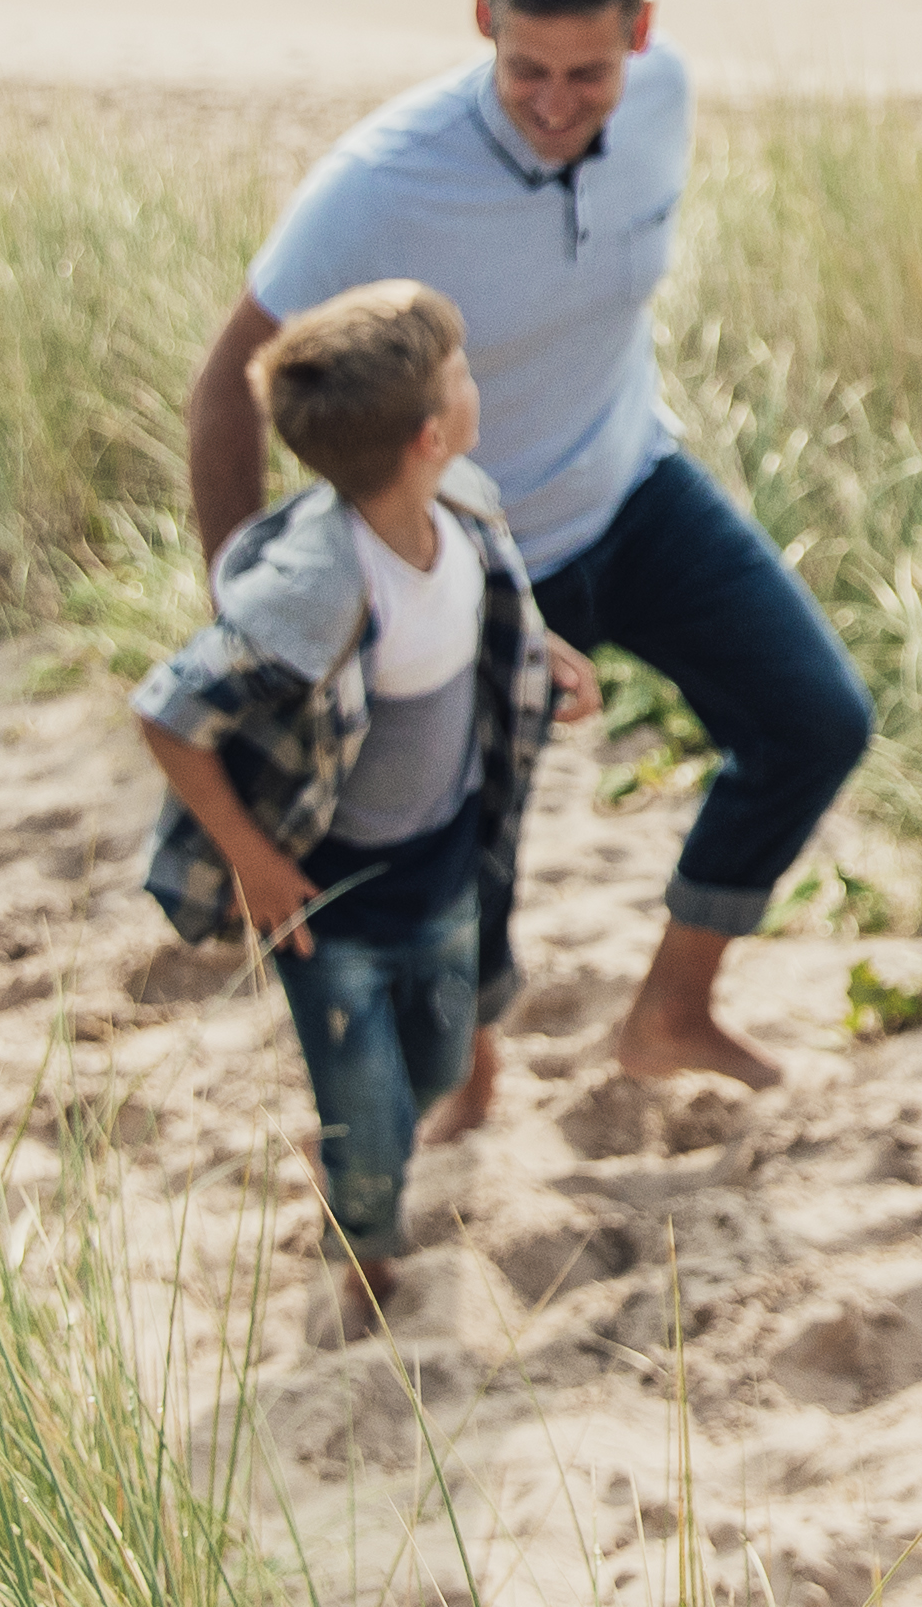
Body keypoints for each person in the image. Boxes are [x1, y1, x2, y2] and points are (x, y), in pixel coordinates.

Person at [185, 0, 872, 1103]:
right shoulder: (380, 186)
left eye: (588, 72)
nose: (556, 105)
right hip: (470, 553)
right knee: (458, 857)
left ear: (642, 34)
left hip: (635, 486)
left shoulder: (664, 100)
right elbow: (225, 389)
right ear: (480, 23)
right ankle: (464, 1057)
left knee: (815, 720)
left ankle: (672, 1009)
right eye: (525, 70)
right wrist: (259, 614)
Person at [132, 280, 592, 1282]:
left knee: (435, 1063)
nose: (477, 383)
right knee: (371, 1104)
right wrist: (251, 857)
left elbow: (479, 601)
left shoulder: (459, 503)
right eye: (462, 375)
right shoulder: (317, 589)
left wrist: (542, 652)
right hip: (327, 898)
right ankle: (366, 1247)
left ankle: (361, 1151)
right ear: (429, 433)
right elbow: (167, 710)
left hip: (443, 858)